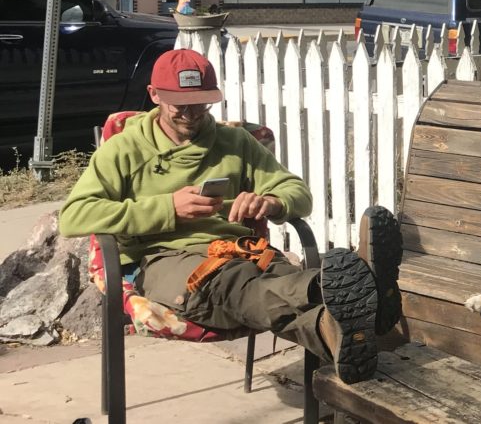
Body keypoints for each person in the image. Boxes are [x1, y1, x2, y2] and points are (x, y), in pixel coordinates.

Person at [58, 48, 402, 384]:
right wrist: (167, 208)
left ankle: (333, 333)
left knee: (267, 277)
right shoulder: (124, 148)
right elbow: (74, 215)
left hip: (241, 251)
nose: (192, 114)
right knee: (233, 286)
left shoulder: (235, 142)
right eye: (181, 104)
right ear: (154, 94)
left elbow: (299, 194)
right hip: (163, 259)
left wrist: (270, 202)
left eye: (202, 103)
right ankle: (346, 289)